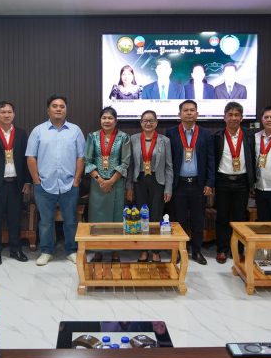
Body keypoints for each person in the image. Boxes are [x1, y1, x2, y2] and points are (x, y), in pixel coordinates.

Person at [26, 94, 85, 266]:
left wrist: (76, 180)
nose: (58, 109)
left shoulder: (75, 130)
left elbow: (81, 157)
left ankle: (71, 250)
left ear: (66, 110)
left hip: (69, 184)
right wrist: (36, 180)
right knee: (45, 221)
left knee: (71, 220)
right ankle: (46, 251)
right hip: (44, 184)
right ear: (48, 110)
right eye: (55, 106)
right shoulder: (38, 131)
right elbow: (31, 156)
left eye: (62, 106)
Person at [0, 101, 32, 265]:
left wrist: (27, 181)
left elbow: (26, 160)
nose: (6, 115)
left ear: (14, 114)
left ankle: (16, 250)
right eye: (3, 112)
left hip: (16, 184)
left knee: (14, 219)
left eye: (9, 112)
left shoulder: (22, 134)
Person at [166, 100, 215, 264]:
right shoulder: (171, 133)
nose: (188, 113)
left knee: (198, 219)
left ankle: (197, 251)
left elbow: (211, 160)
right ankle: (180, 250)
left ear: (197, 114)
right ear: (179, 114)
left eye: (192, 110)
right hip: (178, 184)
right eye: (185, 110)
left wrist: (209, 183)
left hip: (198, 185)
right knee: (178, 220)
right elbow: (168, 161)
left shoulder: (205, 134)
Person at [84, 106, 131, 263]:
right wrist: (100, 180)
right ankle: (98, 250)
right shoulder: (92, 137)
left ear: (116, 120)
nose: (107, 121)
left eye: (110, 118)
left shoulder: (124, 137)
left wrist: (110, 181)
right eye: (104, 117)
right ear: (100, 120)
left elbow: (125, 162)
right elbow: (87, 160)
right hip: (97, 183)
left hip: (116, 183)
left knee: (116, 217)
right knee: (97, 217)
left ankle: (115, 251)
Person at [126, 110, 173, 263]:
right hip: (139, 180)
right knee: (140, 216)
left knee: (156, 216)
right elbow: (131, 166)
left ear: (156, 122)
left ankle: (156, 250)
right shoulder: (133, 139)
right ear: (140, 123)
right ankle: (143, 250)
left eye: (151, 120)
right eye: (145, 120)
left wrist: (168, 188)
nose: (148, 123)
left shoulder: (164, 140)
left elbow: (169, 166)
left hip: (157, 181)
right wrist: (130, 187)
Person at [213, 102, 255, 264]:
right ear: (224, 117)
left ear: (242, 118)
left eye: (237, 115)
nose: (233, 118)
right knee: (222, 217)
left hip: (242, 182)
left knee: (239, 217)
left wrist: (253, 183)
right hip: (222, 181)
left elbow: (253, 158)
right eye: (230, 115)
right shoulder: (217, 136)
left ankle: (238, 249)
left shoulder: (249, 136)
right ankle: (222, 250)